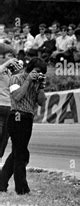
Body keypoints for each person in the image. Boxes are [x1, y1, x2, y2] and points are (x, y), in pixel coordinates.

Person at [0, 57, 46, 194]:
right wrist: (28, 81)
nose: (38, 74)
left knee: (17, 152)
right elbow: (17, 96)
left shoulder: (37, 82)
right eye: (37, 71)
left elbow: (42, 102)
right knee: (21, 154)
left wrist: (41, 86)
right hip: (17, 116)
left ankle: (1, 183)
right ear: (29, 68)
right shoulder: (16, 78)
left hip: (28, 118)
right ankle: (22, 189)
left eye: (41, 72)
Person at [0, 56, 22, 159]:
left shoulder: (10, 74)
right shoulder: (1, 70)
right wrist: (7, 63)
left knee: (5, 136)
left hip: (9, 107)